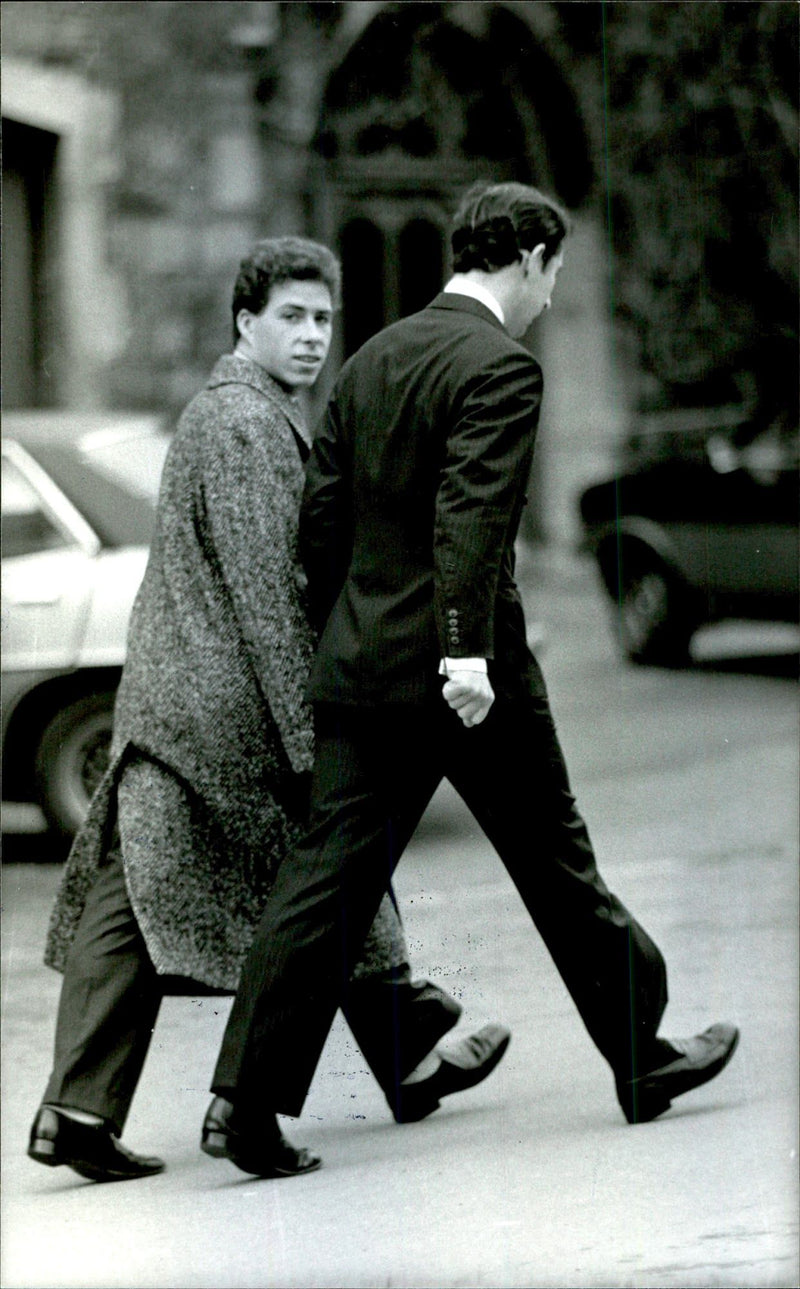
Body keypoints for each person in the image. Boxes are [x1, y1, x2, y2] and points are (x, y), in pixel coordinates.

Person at [204, 182, 740, 1177]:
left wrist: (351, 634)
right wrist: (460, 652)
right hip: (467, 675)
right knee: (554, 860)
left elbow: (321, 525)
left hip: (365, 664)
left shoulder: (368, 362)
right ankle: (640, 1054)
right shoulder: (499, 365)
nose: (550, 291)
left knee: (326, 880)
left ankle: (243, 1104)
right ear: (531, 257)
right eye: (554, 271)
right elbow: (471, 516)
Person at [27, 237, 511, 1185]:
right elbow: (266, 593)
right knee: (327, 864)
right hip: (222, 712)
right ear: (245, 324)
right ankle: (400, 1045)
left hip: (174, 704)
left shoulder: (229, 413)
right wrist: (309, 732)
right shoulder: (246, 423)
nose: (312, 337)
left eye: (323, 319)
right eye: (290, 317)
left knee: (141, 901)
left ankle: (77, 1112)